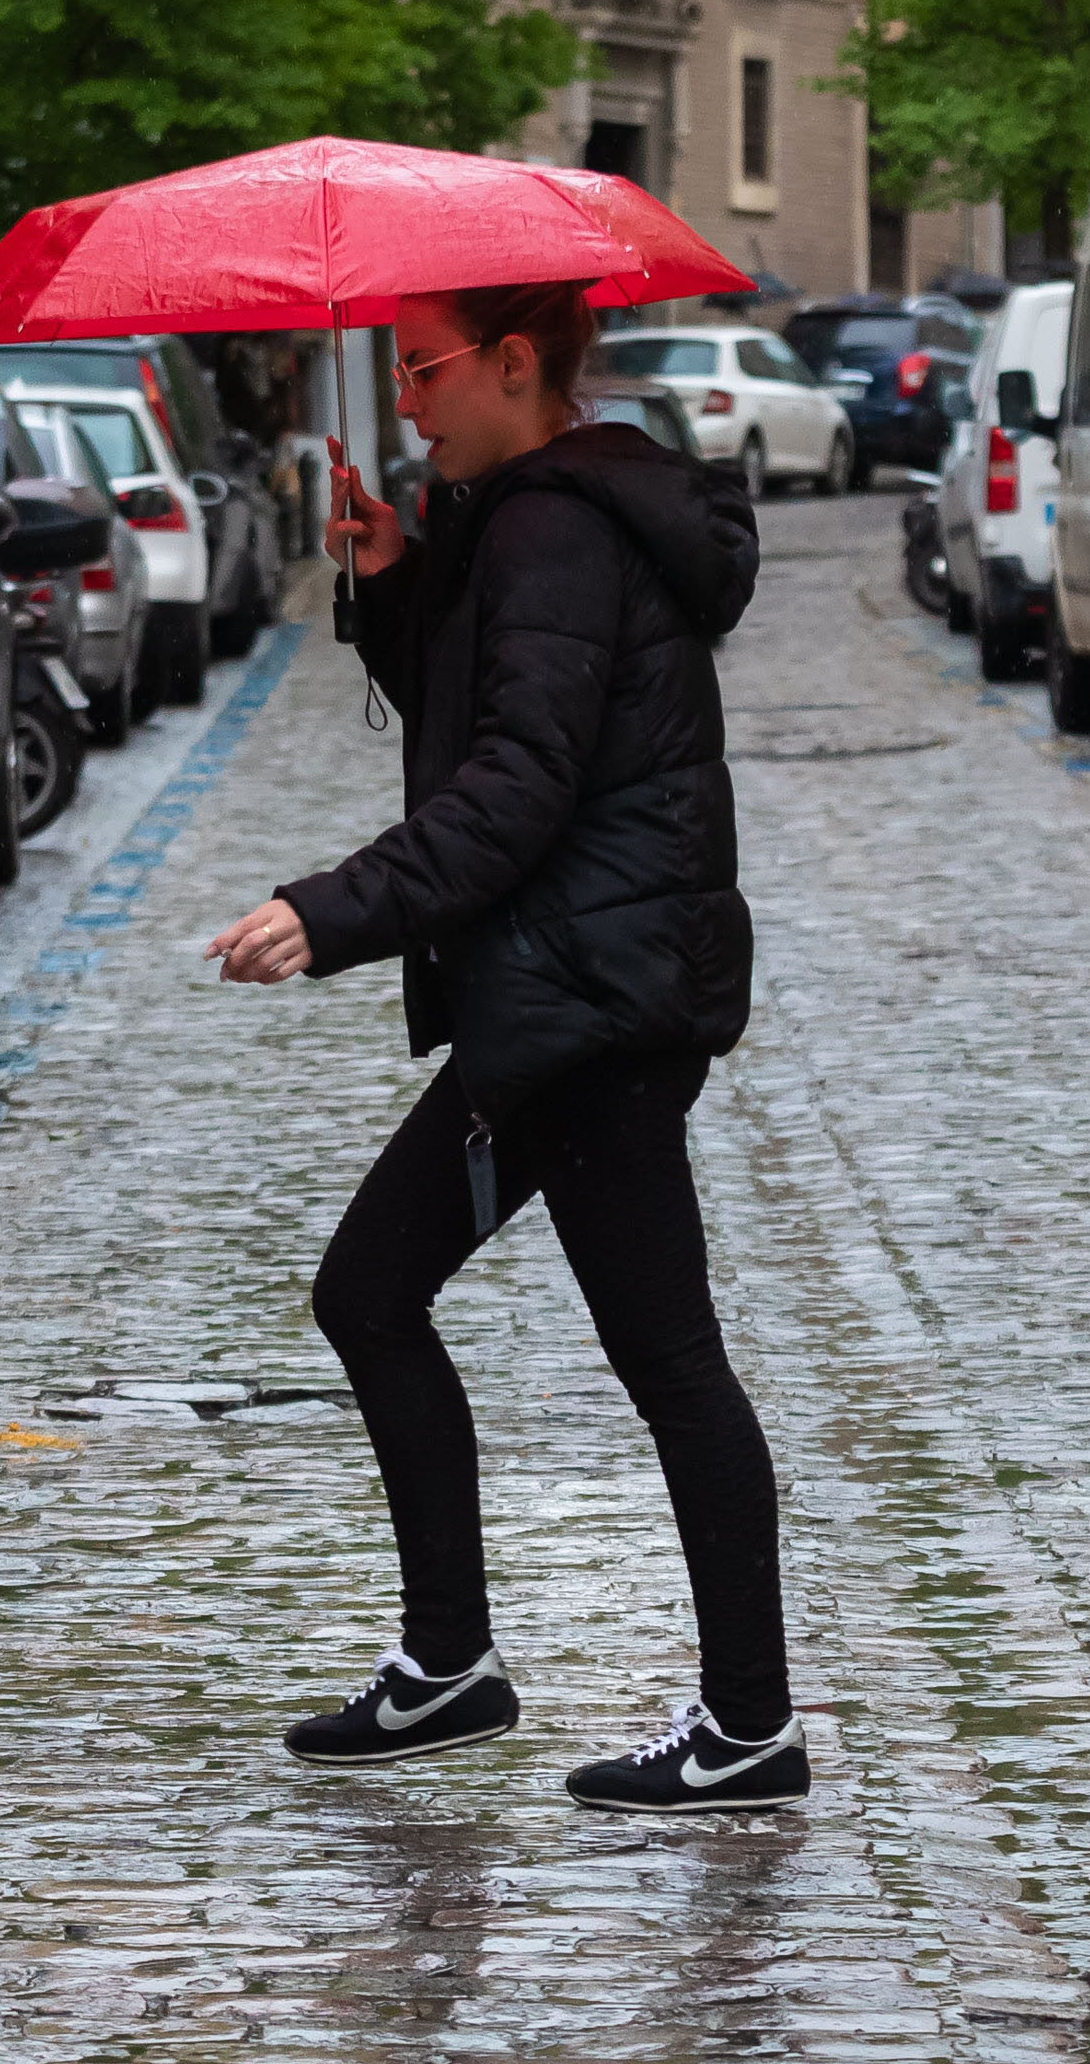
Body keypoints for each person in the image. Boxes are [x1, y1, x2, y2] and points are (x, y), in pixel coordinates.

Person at [205, 282, 802, 1816]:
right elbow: (504, 722)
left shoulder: (555, 527)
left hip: (584, 1003)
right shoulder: (541, 515)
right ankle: (458, 1666)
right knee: (385, 1295)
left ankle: (737, 1724)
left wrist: (333, 912)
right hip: (573, 992)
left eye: (424, 368)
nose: (406, 399)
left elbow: (517, 792)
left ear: (516, 363)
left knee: (655, 1356)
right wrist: (399, 583)